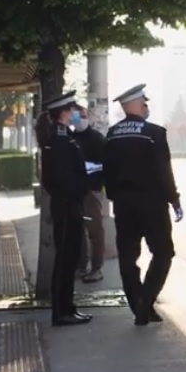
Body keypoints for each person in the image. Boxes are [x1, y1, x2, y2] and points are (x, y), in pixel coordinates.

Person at [102, 84, 182, 326]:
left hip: (123, 204)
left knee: (128, 256)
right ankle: (145, 302)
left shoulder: (112, 134)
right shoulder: (154, 133)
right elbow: (163, 170)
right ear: (136, 105)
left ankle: (138, 305)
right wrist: (174, 199)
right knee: (163, 252)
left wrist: (116, 196)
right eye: (144, 103)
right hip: (152, 204)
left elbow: (107, 171)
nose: (147, 107)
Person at [38, 91, 93, 327]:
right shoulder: (60, 140)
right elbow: (63, 177)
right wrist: (80, 189)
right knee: (66, 259)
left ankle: (67, 308)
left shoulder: (61, 136)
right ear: (63, 113)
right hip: (68, 204)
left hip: (68, 204)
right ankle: (62, 312)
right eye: (72, 110)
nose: (75, 114)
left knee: (69, 258)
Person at [71, 104, 108, 283]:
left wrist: (90, 172)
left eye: (83, 116)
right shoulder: (70, 138)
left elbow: (106, 164)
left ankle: (96, 268)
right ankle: (81, 265)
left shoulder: (97, 138)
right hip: (74, 192)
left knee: (95, 231)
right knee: (77, 232)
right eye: (77, 117)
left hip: (91, 191)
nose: (80, 120)